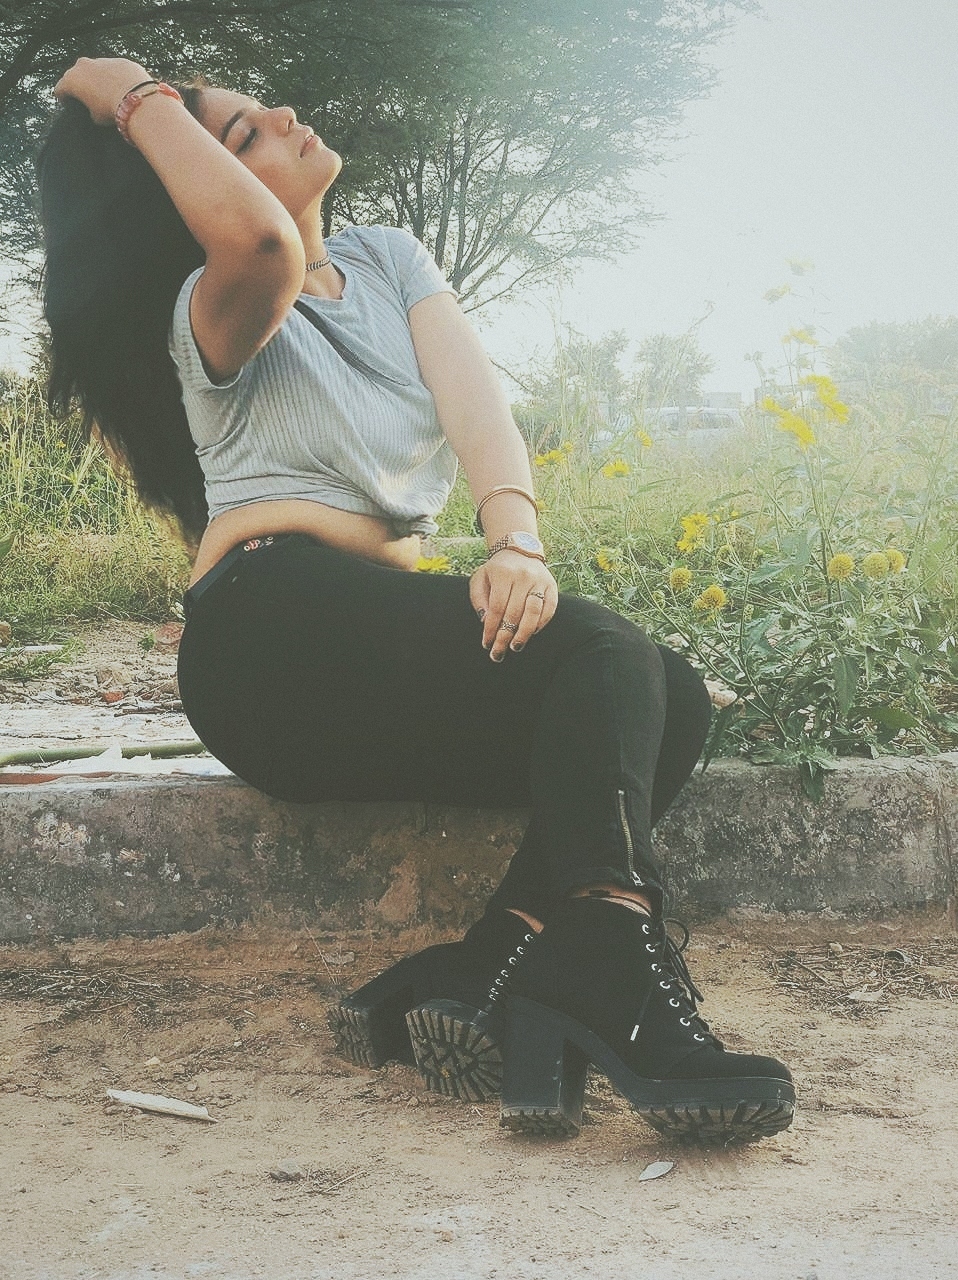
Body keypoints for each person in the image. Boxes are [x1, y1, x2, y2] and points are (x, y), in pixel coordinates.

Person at [38, 57, 794, 1142]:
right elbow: (260, 239)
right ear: (195, 186)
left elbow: (477, 406)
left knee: (663, 694)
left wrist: (515, 543)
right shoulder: (220, 300)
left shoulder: (387, 259)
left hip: (375, 644)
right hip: (268, 645)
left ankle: (488, 967)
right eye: (243, 135)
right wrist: (126, 90)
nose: (284, 115)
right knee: (604, 652)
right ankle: (611, 959)